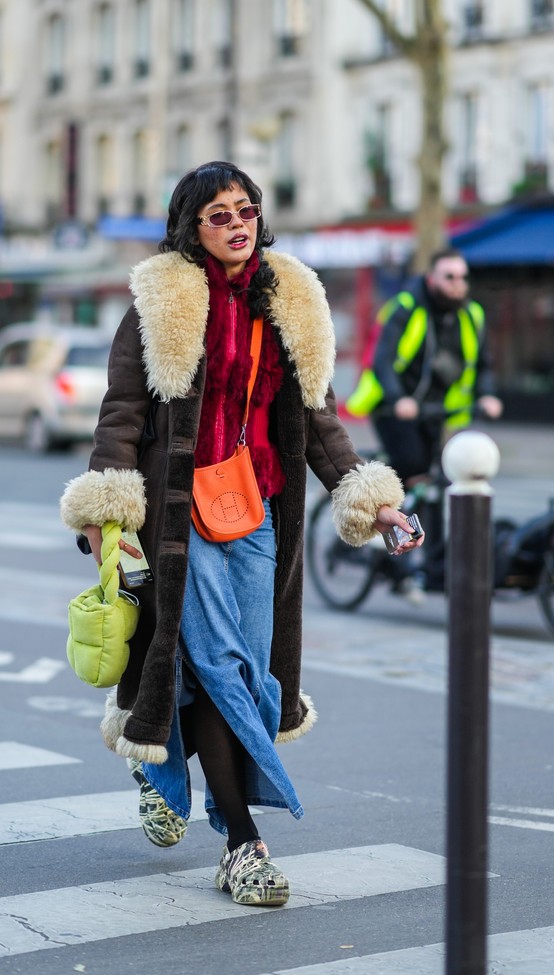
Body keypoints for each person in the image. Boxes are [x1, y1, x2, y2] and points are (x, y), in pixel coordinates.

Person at [60, 160, 422, 908]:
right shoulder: (159, 299)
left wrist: (370, 498)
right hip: (177, 519)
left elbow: (318, 419)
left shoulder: (291, 297)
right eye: (218, 213)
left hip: (259, 516)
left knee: (248, 678)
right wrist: (106, 511)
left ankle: (162, 768)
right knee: (218, 667)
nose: (237, 222)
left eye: (245, 208)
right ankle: (242, 843)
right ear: (190, 228)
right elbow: (123, 412)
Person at [347, 247, 502, 593]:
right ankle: (397, 556)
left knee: (440, 482)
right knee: (416, 472)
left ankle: (433, 566)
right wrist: (398, 399)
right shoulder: (404, 308)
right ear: (432, 278)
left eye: (463, 278)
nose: (458, 284)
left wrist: (488, 395)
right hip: (392, 408)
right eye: (449, 277)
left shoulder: (472, 314)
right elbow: (382, 362)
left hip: (435, 412)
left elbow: (484, 365)